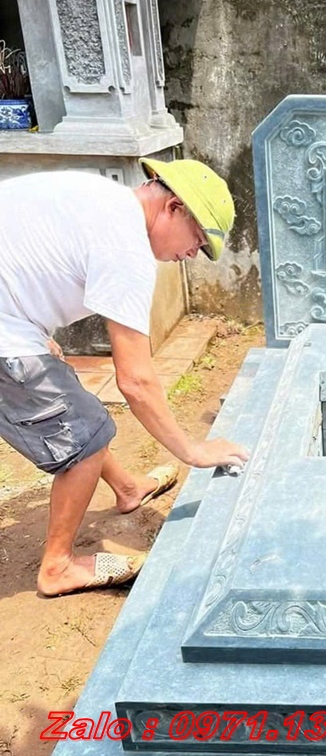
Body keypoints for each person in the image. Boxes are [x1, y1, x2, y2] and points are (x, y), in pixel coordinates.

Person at [0, 158, 249, 597]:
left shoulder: (102, 197)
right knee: (85, 433)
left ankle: (128, 488)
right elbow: (134, 380)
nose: (192, 255)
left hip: (14, 320)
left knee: (78, 411)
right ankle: (58, 567)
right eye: (197, 240)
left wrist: (37, 332)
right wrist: (192, 450)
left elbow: (27, 255)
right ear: (174, 207)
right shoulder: (127, 246)